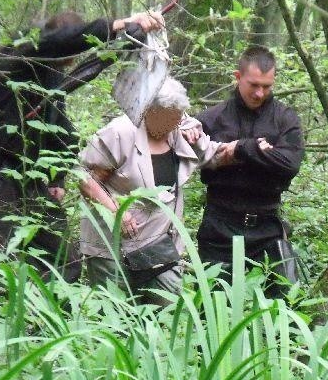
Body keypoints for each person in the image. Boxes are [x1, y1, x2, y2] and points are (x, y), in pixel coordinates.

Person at [0, 9, 164, 282]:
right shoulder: (10, 59)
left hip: (29, 177)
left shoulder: (51, 76)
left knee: (62, 259)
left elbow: (61, 130)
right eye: (69, 50)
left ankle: (46, 320)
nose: (70, 61)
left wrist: (56, 176)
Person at [78, 77, 223, 304]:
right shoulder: (120, 132)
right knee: (116, 316)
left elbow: (212, 153)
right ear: (149, 110)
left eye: (177, 117)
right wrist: (115, 210)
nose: (173, 124)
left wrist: (248, 149)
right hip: (112, 245)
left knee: (165, 309)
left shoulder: (179, 130)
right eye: (167, 118)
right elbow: (86, 180)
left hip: (159, 244)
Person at [195, 45, 304, 296]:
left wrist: (243, 150)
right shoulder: (212, 119)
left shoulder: (284, 119)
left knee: (284, 305)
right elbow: (193, 161)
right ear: (238, 77)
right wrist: (264, 153)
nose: (259, 93)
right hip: (220, 222)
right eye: (253, 84)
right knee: (212, 304)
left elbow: (289, 164)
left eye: (267, 86)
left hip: (266, 224)